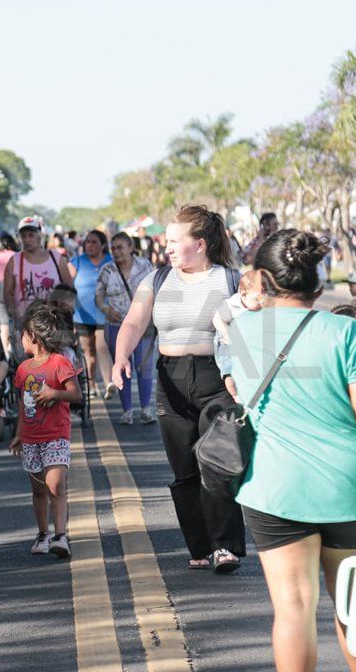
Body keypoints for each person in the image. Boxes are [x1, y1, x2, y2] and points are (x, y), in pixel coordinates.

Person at [231, 230, 356, 672]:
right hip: (349, 491)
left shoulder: (245, 331)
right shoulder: (345, 332)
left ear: (263, 279)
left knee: (293, 608)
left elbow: (242, 390)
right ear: (316, 282)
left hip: (274, 489)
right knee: (354, 607)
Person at [111, 204, 245, 572]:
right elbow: (133, 323)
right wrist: (121, 357)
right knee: (185, 470)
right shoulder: (156, 280)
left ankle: (225, 546)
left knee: (217, 463)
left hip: (218, 380)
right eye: (167, 241)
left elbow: (255, 328)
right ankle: (200, 548)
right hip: (170, 381)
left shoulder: (231, 280)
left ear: (200, 244)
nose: (167, 247)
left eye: (174, 241)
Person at [9, 304, 81, 558]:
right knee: (39, 489)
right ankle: (43, 534)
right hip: (31, 438)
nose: (21, 339)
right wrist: (19, 433)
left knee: (56, 486)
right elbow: (22, 403)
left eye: (23, 335)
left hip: (56, 435)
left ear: (33, 337)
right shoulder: (23, 369)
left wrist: (54, 393)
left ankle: (60, 536)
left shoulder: (59, 362)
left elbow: (76, 394)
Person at [96, 232, 157, 424]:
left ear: (131, 247)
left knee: (144, 366)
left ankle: (146, 408)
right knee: (121, 366)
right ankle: (127, 410)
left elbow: (156, 290)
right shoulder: (107, 270)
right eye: (113, 248)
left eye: (120, 247)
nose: (116, 252)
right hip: (116, 325)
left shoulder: (145, 266)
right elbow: (98, 296)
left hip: (142, 325)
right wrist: (105, 308)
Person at [4, 216, 73, 333]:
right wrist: (14, 314)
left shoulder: (56, 258)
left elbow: (69, 288)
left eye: (31, 235)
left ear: (40, 235)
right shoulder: (14, 261)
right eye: (23, 236)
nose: (27, 239)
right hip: (26, 324)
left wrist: (65, 310)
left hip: (55, 324)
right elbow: (8, 293)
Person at [70, 229, 115, 399]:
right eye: (87, 242)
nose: (90, 245)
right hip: (81, 315)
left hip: (105, 313)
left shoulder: (111, 261)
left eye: (94, 242)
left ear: (103, 245)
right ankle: (91, 385)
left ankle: (108, 383)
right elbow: (66, 283)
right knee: (88, 352)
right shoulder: (77, 262)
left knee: (102, 347)